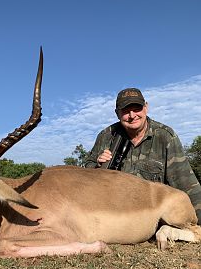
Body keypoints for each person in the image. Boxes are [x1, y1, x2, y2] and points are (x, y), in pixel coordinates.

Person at [85, 87, 201, 224]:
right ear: (117, 113)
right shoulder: (105, 136)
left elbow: (187, 185)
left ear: (146, 107)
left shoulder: (165, 136)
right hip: (112, 215)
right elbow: (84, 176)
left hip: (151, 218)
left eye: (137, 108)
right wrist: (97, 166)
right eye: (126, 111)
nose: (132, 115)